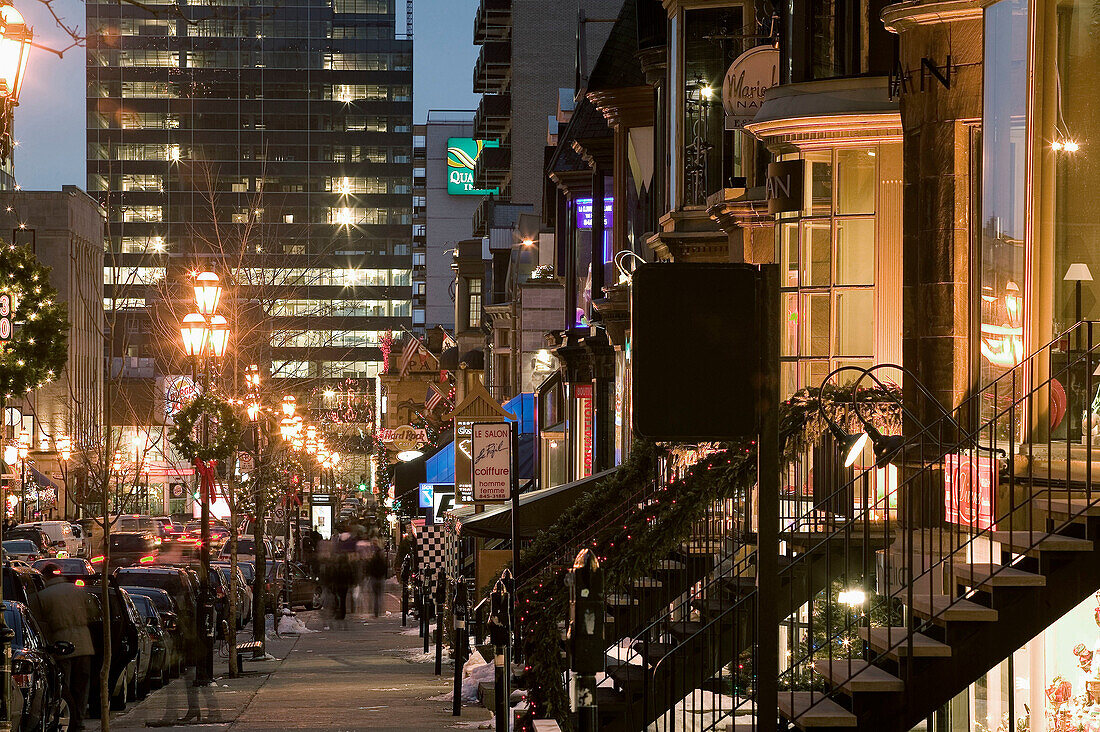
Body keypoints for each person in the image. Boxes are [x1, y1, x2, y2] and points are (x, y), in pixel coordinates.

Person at [36, 563, 95, 731]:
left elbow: (41, 624)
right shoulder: (78, 590)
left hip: (60, 647)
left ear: (45, 577)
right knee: (81, 686)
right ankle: (79, 720)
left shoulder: (42, 596)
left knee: (64, 687)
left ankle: (66, 719)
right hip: (84, 645)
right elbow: (93, 613)